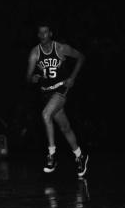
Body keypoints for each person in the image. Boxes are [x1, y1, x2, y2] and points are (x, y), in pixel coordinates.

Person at [25, 23, 88, 177]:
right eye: (40, 33)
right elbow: (27, 77)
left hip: (61, 88)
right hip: (46, 93)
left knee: (46, 114)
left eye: (45, 32)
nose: (42, 35)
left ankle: (51, 155)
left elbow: (81, 57)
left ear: (50, 34)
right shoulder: (34, 53)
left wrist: (72, 77)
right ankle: (80, 156)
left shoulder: (60, 48)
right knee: (65, 127)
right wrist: (33, 78)